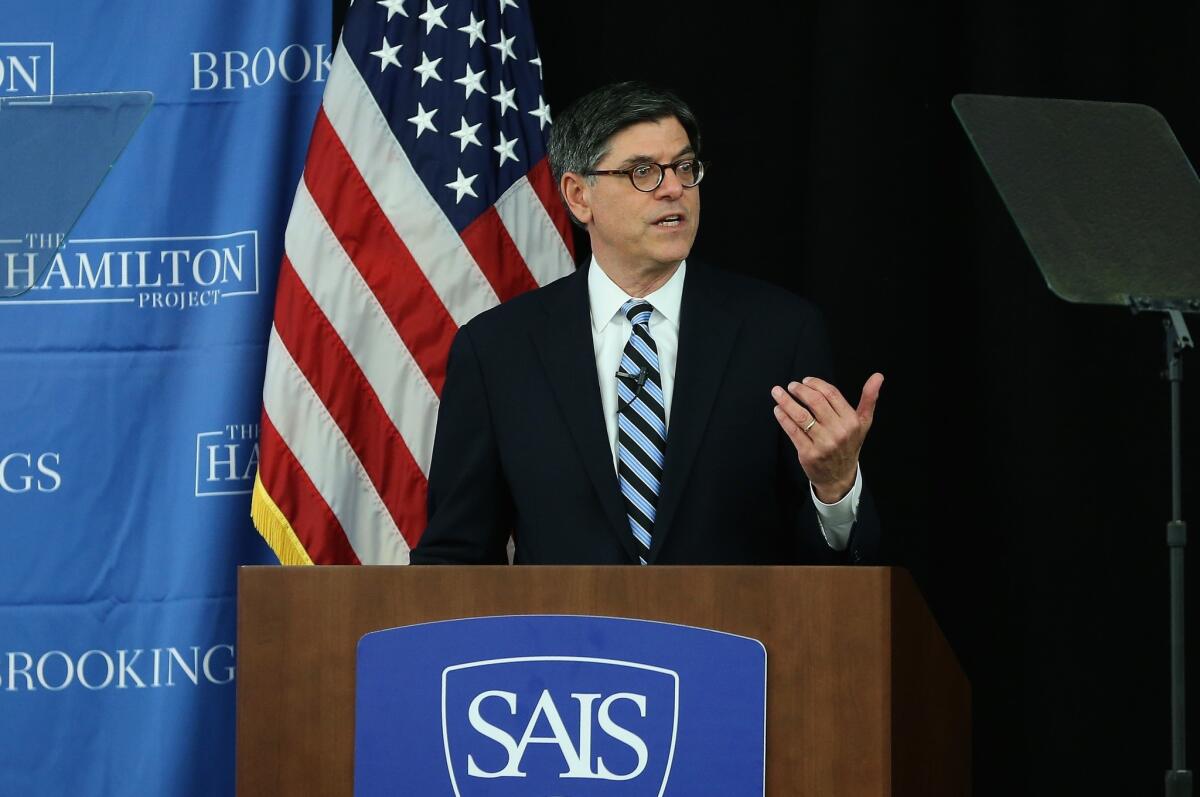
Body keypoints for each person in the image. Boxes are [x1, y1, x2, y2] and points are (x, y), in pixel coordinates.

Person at [411, 81, 884, 566]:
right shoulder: (497, 350)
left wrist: (835, 487)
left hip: (736, 637)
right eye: (643, 172)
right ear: (578, 196)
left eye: (684, 167)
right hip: (566, 639)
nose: (674, 188)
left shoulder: (780, 333)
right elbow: (456, 556)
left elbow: (824, 567)